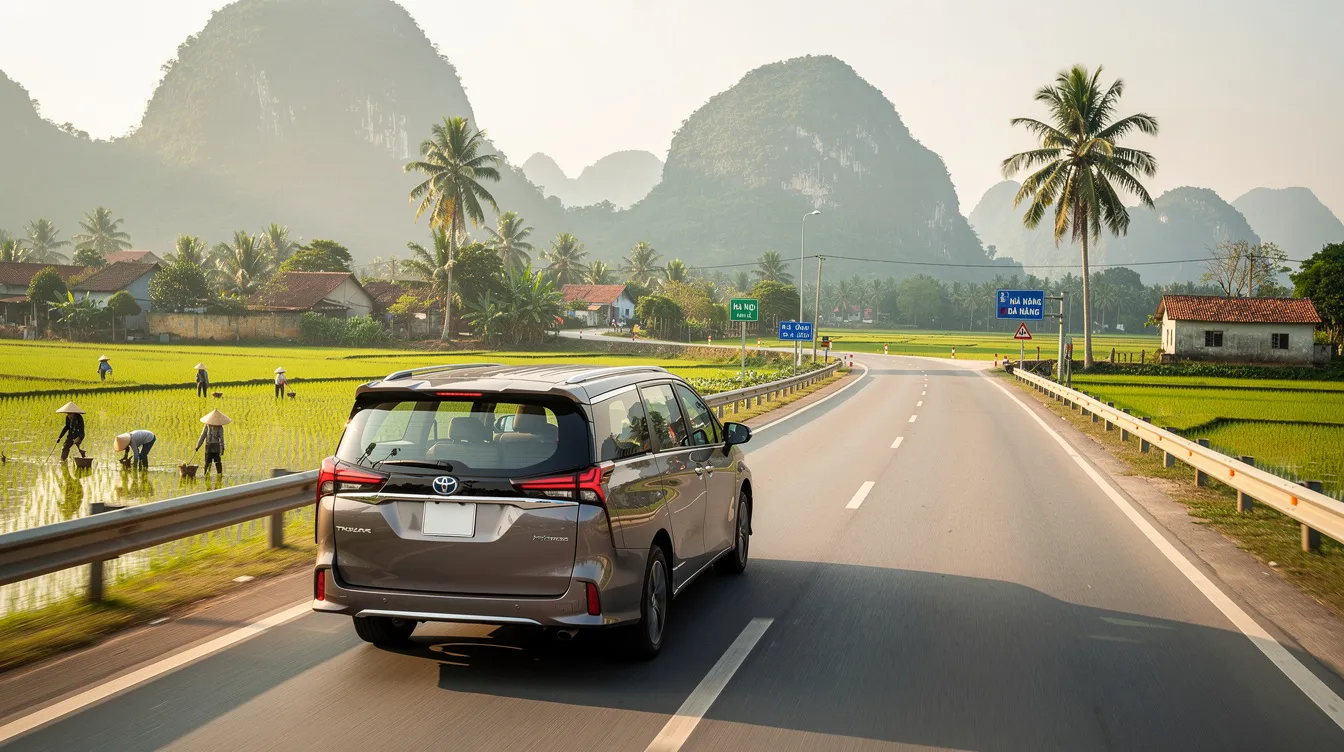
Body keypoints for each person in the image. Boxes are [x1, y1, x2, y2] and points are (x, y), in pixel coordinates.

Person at [195, 409, 229, 475]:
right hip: (210, 447)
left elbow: (221, 438)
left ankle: (219, 476)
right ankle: (207, 476)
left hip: (214, 446)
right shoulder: (207, 425)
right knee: (208, 463)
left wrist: (222, 448)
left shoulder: (219, 427)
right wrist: (197, 446)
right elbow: (203, 436)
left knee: (216, 463)